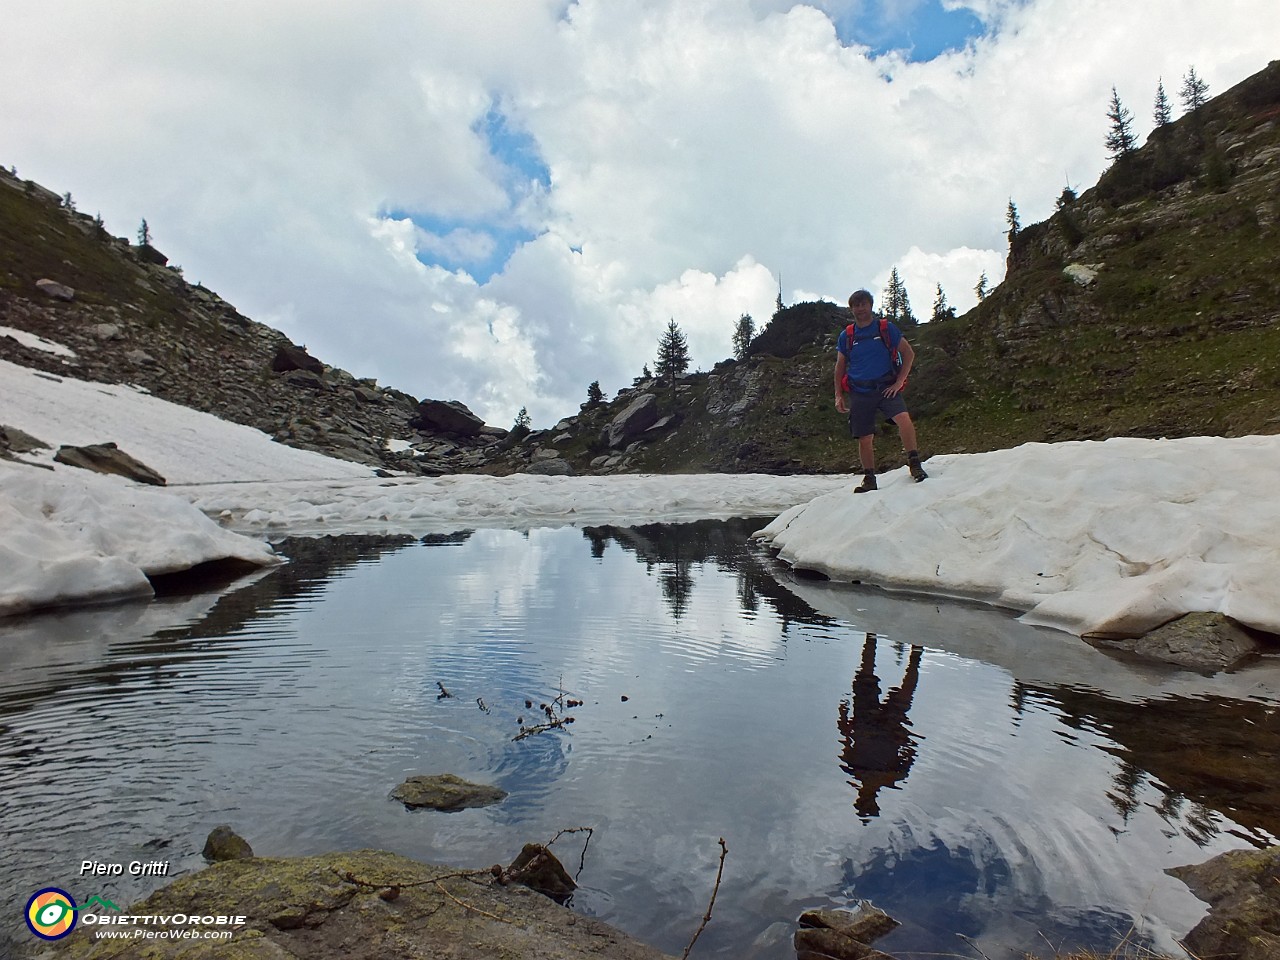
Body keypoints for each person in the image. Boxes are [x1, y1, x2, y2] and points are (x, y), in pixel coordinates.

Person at [834, 289, 928, 492]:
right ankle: (869, 478)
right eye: (856, 305)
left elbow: (908, 353)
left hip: (886, 386)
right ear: (852, 309)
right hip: (860, 390)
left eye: (863, 304)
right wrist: (838, 395)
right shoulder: (847, 336)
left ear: (870, 305)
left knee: (903, 418)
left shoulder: (886, 329)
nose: (860, 309)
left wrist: (899, 382)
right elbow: (840, 366)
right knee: (864, 436)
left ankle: (915, 464)